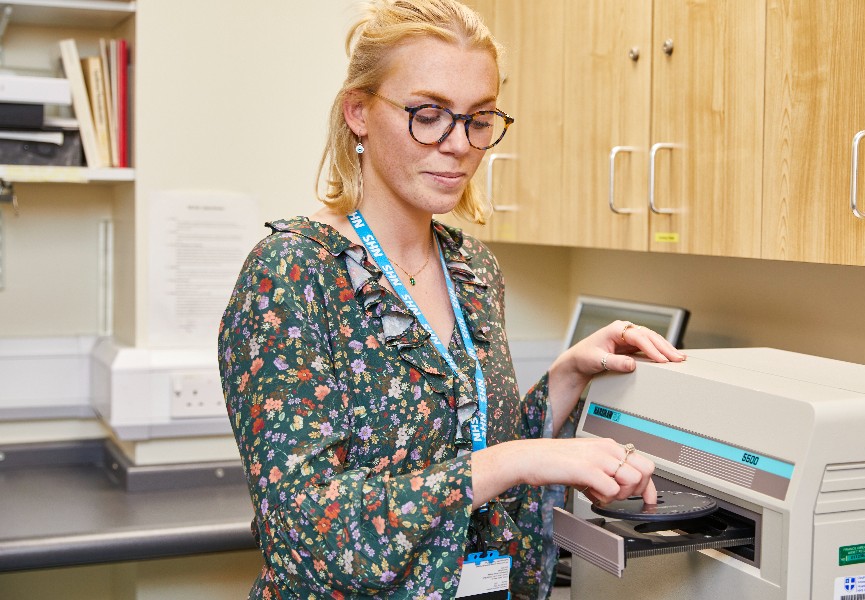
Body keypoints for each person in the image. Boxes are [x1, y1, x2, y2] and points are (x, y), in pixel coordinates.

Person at [217, 1, 686, 598]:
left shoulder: (472, 268)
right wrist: (520, 459)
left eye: (478, 118)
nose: (458, 143)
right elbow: (308, 532)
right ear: (358, 112)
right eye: (428, 114)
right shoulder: (291, 272)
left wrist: (567, 375)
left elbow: (480, 449)